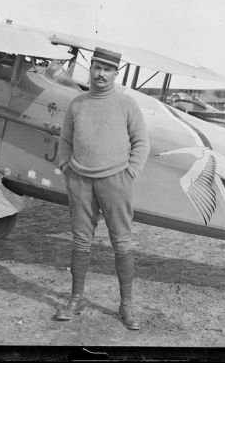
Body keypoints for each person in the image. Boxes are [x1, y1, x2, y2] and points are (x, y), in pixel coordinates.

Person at [56, 47, 150, 330]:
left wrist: (130, 172)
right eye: (97, 67)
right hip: (81, 181)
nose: (100, 74)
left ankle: (127, 305)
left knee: (121, 243)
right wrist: (66, 167)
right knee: (80, 241)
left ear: (115, 74)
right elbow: (65, 141)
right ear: (91, 68)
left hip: (116, 181)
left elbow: (141, 142)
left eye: (107, 69)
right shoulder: (77, 104)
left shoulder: (126, 104)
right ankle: (76, 299)